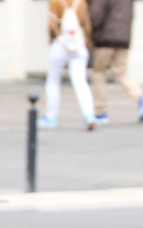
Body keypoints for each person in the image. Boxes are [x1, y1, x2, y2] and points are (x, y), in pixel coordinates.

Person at [89, 0, 143, 123]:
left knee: (99, 74)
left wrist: (90, 31)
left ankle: (100, 112)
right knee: (121, 73)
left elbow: (96, 15)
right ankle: (140, 96)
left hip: (105, 39)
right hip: (123, 38)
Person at [41, 0, 96, 130]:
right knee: (80, 81)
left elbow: (51, 25)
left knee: (53, 80)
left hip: (60, 43)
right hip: (78, 44)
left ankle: (51, 117)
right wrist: (87, 45)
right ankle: (89, 115)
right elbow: (87, 27)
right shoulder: (81, 2)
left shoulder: (55, 1)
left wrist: (52, 40)